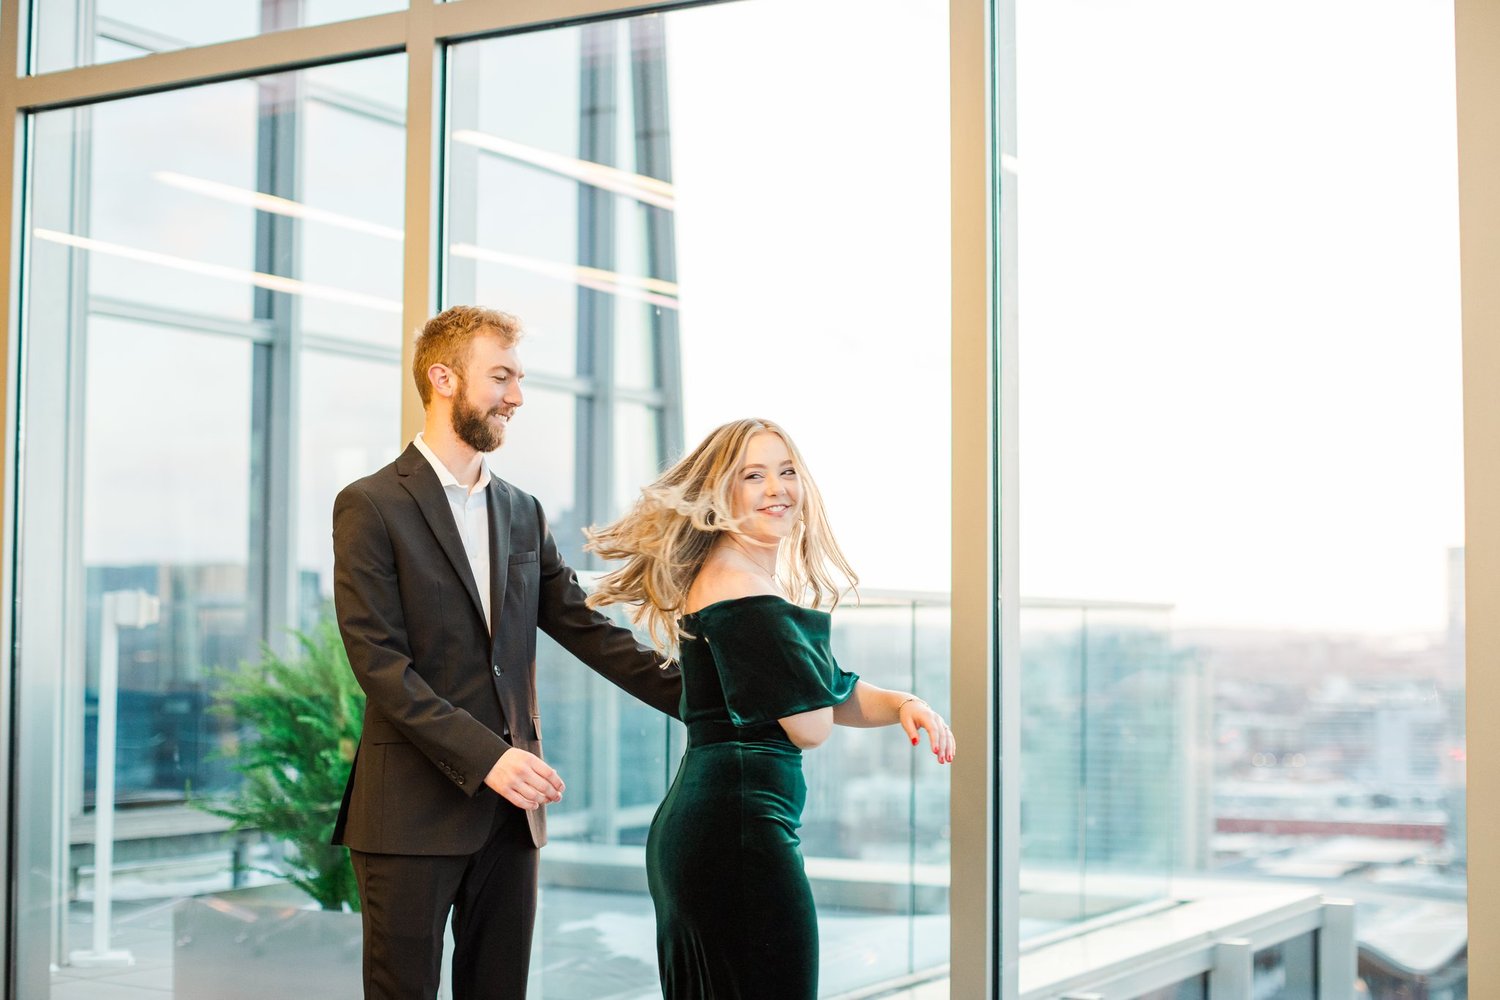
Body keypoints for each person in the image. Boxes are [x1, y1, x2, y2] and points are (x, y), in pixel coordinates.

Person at [329, 305, 682, 1000]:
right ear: (443, 378)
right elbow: (381, 666)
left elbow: (584, 627)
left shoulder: (522, 510)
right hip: (408, 817)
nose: (517, 396)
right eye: (502, 376)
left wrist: (713, 698)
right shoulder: (368, 505)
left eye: (519, 378)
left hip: (510, 821)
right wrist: (490, 758)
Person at [585, 417, 955, 999]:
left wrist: (904, 703)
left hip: (716, 831)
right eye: (753, 475)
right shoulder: (743, 589)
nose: (777, 488)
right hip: (736, 837)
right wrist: (818, 688)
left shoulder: (745, 583)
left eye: (786, 471)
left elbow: (826, 687)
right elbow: (811, 725)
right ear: (720, 493)